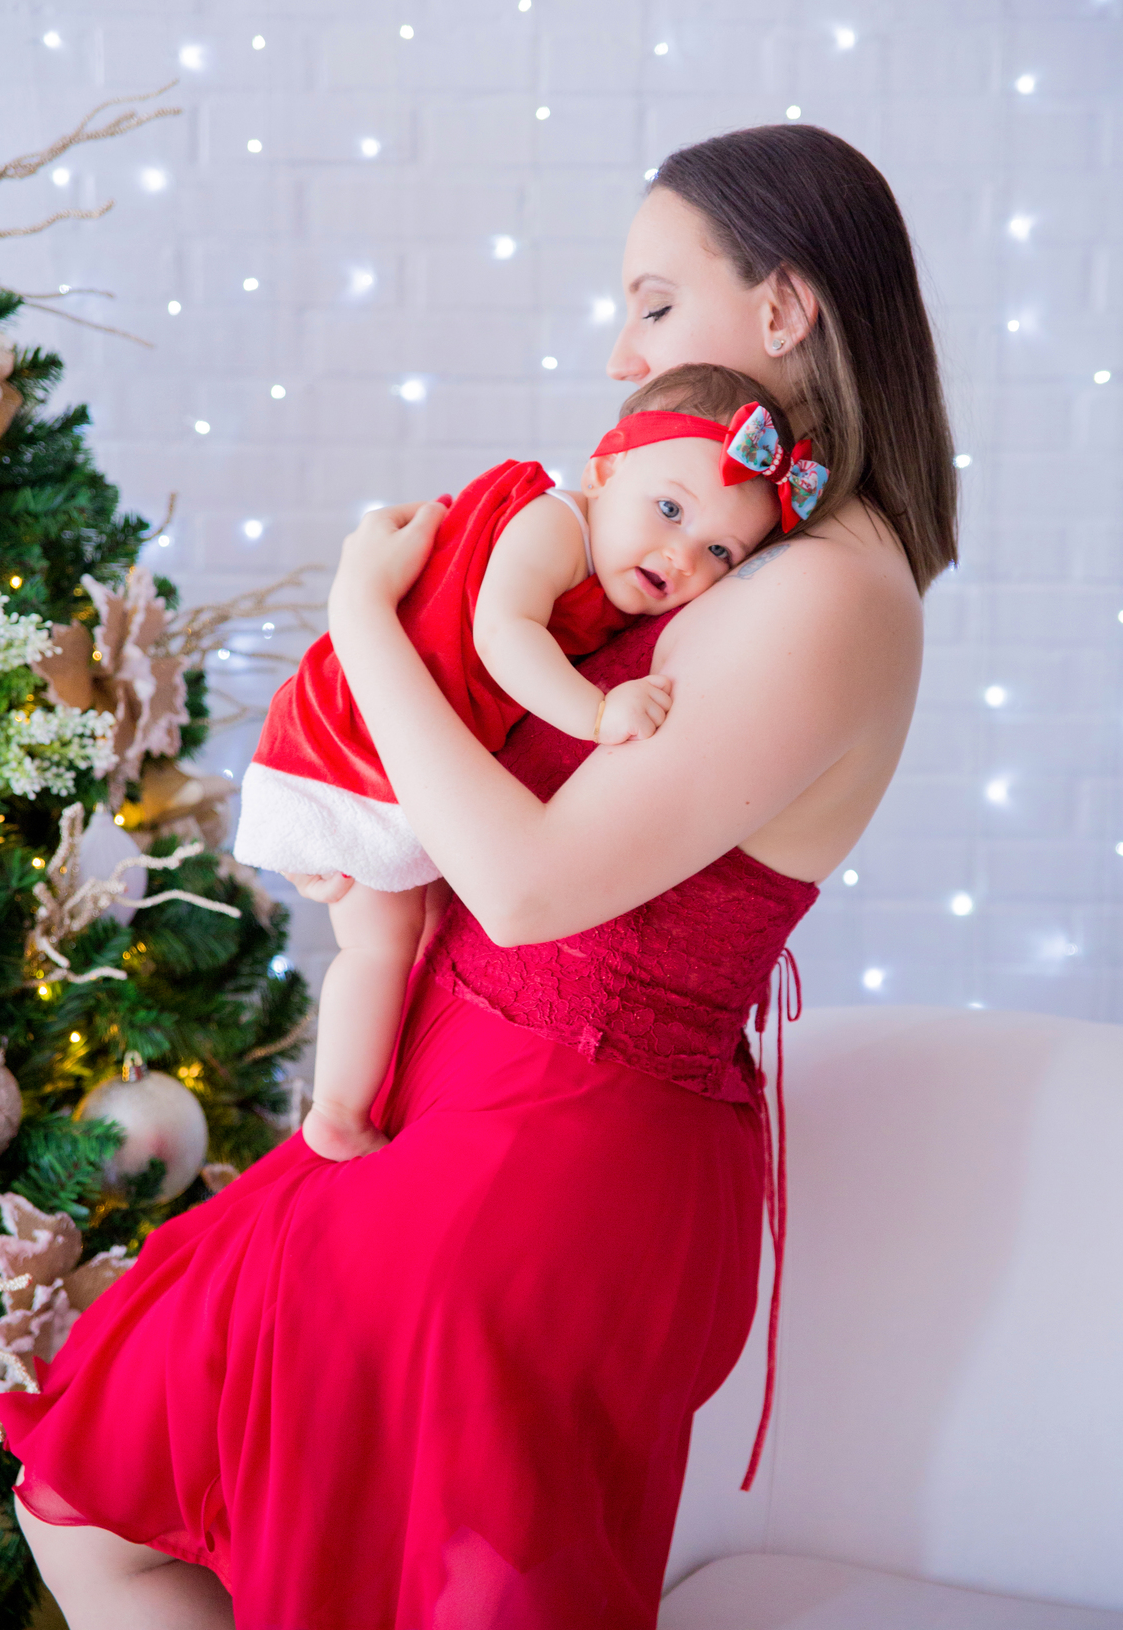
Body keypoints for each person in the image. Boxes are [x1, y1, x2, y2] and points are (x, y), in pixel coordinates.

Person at [0, 123, 956, 1630]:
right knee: (121, 1479)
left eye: (654, 299)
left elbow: (524, 889)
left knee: (362, 1563)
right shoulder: (743, 545)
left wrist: (362, 624)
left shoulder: (828, 593)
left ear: (782, 311)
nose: (624, 349)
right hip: (475, 1098)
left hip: (549, 1153)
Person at [234, 364, 800, 1164]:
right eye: (669, 508)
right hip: (354, 739)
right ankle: (336, 1111)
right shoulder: (554, 523)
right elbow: (506, 637)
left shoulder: (612, 567)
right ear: (605, 472)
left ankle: (366, 1095)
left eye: (717, 549)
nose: (679, 553)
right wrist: (598, 713)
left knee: (408, 937)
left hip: (391, 744)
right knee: (379, 944)